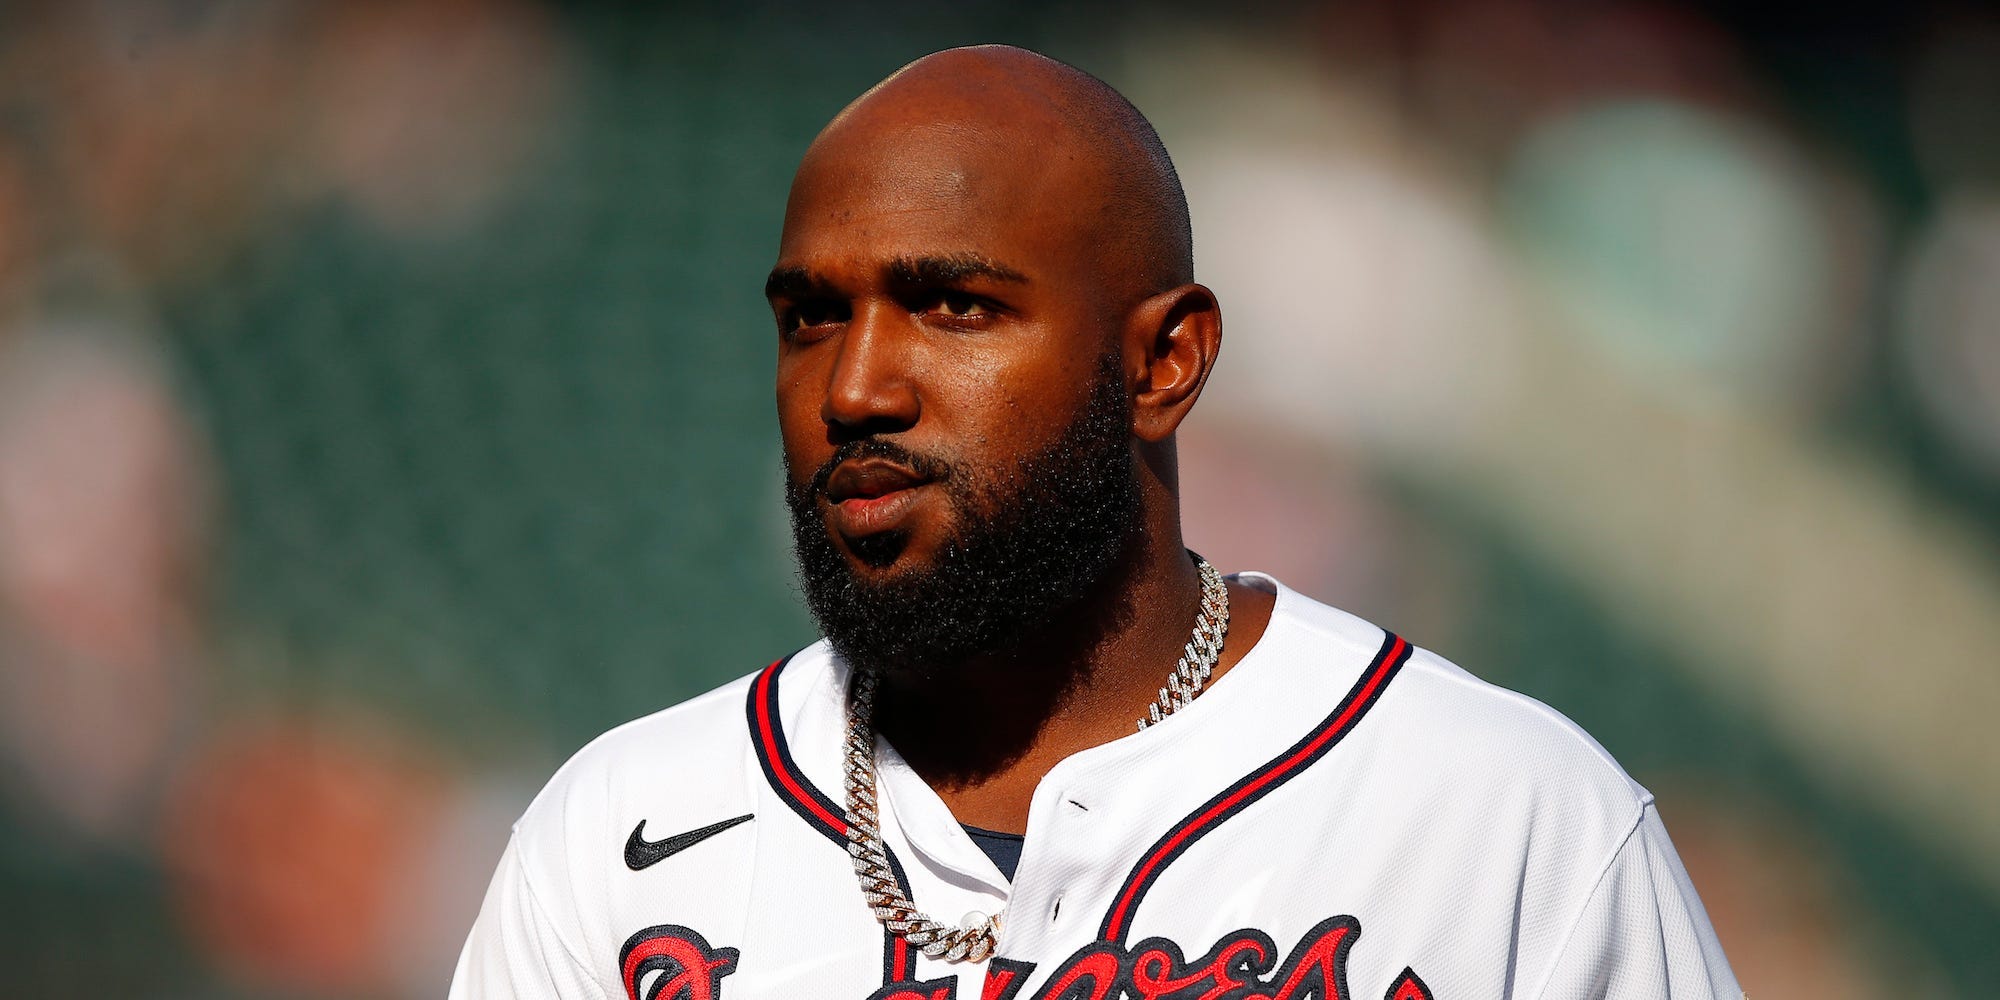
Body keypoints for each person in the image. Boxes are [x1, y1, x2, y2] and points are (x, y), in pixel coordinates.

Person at [451, 45, 1740, 1000]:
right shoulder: (618, 842)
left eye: (953, 307)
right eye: (812, 317)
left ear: (1165, 362)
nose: (855, 388)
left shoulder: (1500, 819)